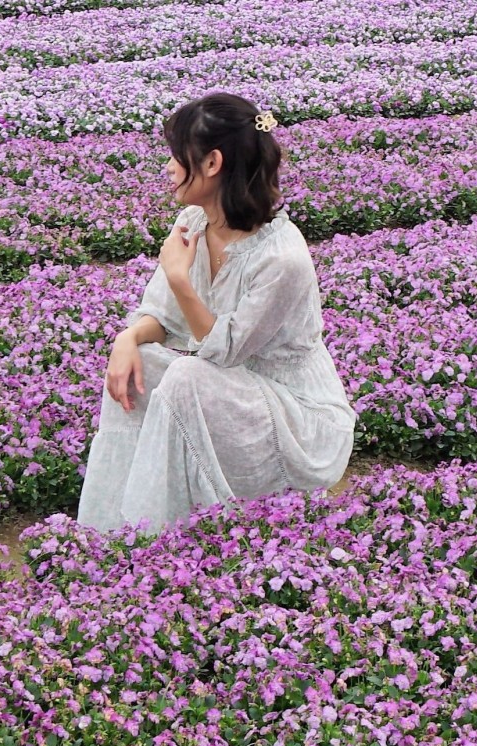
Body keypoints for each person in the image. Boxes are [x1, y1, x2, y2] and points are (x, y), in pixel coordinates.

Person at [76, 92, 357, 534]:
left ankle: (161, 536)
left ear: (211, 164)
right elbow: (162, 318)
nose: (168, 167)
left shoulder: (282, 258)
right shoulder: (192, 221)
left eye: (176, 156)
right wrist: (126, 339)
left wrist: (181, 279)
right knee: (142, 366)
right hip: (233, 391)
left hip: (299, 421)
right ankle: (113, 528)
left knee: (187, 377)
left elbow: (222, 353)